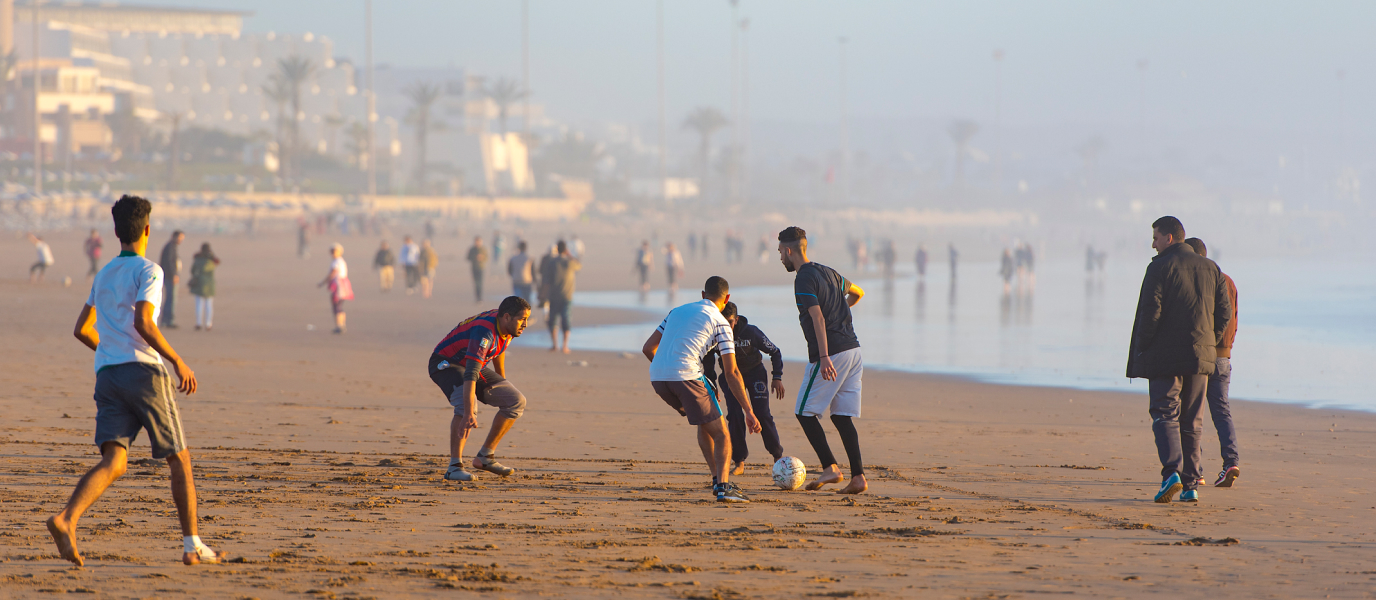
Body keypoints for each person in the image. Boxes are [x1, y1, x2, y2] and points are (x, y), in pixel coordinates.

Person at [50, 194, 222, 567]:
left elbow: (82, 329)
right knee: (180, 459)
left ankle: (66, 519)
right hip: (143, 373)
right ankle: (193, 545)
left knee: (115, 461)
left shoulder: (105, 273)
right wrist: (177, 360)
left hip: (107, 375)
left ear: (116, 232)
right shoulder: (149, 270)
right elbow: (144, 322)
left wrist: (109, 350)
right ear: (146, 229)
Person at [1127, 216, 1231, 504]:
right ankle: (1190, 485)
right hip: (1200, 356)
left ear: (1169, 238)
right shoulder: (1212, 268)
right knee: (1192, 420)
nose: (1153, 244)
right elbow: (1225, 313)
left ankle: (1171, 472)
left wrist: (1144, 346)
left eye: (1156, 238)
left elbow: (1150, 313)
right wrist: (1208, 340)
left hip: (1165, 357)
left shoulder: (1158, 267)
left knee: (1164, 413)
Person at [642, 276, 761, 503]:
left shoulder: (676, 311)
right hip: (686, 376)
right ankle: (724, 488)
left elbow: (648, 348)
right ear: (727, 299)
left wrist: (667, 373)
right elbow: (732, 373)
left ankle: (718, 480)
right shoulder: (721, 322)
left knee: (707, 420)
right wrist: (748, 410)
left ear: (702, 294)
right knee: (722, 434)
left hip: (658, 377)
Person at [777, 226, 869, 494]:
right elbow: (858, 293)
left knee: (804, 413)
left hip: (832, 354)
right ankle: (858, 477)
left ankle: (831, 467)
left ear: (789, 250)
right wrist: (838, 310)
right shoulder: (828, 272)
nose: (780, 257)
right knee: (841, 417)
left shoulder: (803, 278)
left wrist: (825, 355)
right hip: (853, 350)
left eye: (781, 252)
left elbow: (817, 318)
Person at [428, 296, 532, 481]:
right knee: (466, 406)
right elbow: (470, 374)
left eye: (526, 319)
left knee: (516, 401)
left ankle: (485, 457)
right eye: (522, 319)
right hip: (446, 363)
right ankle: (454, 467)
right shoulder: (485, 333)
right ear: (507, 317)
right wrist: (469, 412)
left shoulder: (506, 326)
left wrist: (502, 381)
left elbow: (499, 349)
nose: (525, 324)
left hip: (473, 364)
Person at [703, 301, 786, 475]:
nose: (727, 327)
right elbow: (708, 364)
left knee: (762, 414)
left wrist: (776, 377)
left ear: (737, 319)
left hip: (755, 374)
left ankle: (778, 457)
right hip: (730, 377)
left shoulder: (751, 332)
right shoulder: (714, 334)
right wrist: (713, 388)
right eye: (722, 322)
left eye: (730, 322)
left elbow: (775, 352)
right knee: (734, 414)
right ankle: (739, 461)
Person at [1184, 237, 1241, 488]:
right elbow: (1233, 318)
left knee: (1192, 413)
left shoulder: (1203, 281)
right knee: (1221, 411)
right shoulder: (1228, 281)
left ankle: (1196, 471)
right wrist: (1225, 347)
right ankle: (1231, 461)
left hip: (1204, 354)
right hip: (1224, 356)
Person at [546, 240, 581, 353]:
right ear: (565, 250)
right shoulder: (569, 262)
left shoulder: (552, 262)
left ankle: (555, 345)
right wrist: (570, 254)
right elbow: (579, 265)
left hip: (554, 296)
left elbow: (546, 280)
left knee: (553, 321)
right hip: (567, 296)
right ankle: (565, 346)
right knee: (566, 321)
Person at [317, 243, 353, 334]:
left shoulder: (337, 262)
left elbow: (332, 273)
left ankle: (339, 326)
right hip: (342, 285)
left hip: (339, 285)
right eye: (332, 251)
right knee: (339, 306)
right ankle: (341, 325)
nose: (332, 253)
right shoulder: (339, 261)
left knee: (337, 306)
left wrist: (322, 283)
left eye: (334, 251)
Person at [188, 243, 219, 331]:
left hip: (199, 283)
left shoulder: (197, 259)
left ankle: (198, 323)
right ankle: (208, 324)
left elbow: (193, 270)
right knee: (209, 304)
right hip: (209, 284)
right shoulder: (211, 260)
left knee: (199, 304)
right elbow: (217, 262)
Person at [158, 231, 184, 328]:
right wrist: (174, 275)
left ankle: (167, 320)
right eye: (180, 238)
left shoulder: (172, 246)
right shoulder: (170, 247)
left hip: (170, 276)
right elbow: (169, 262)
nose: (181, 240)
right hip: (169, 277)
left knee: (171, 298)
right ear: (174, 236)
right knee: (171, 298)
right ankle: (168, 320)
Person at [537, 244, 558, 320]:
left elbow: (540, 270)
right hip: (552, 283)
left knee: (545, 300)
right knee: (549, 300)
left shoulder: (545, 258)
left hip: (545, 282)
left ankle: (546, 315)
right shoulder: (556, 259)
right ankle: (549, 315)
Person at [467, 236, 489, 302]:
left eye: (479, 241)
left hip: (481, 268)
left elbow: (486, 258)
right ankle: (477, 297)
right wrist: (475, 257)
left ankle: (480, 297)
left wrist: (482, 258)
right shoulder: (472, 249)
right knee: (476, 283)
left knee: (480, 283)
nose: (477, 243)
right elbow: (468, 257)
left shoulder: (483, 249)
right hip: (474, 268)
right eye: (476, 241)